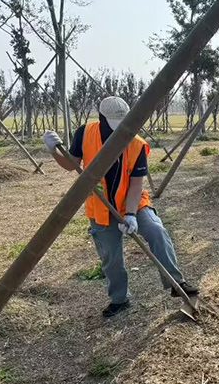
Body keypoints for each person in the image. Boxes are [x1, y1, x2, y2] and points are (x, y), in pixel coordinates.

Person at [42, 96, 199, 318]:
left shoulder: (136, 143)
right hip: (101, 205)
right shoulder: (85, 133)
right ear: (101, 118)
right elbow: (71, 165)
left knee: (156, 231)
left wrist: (132, 215)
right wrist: (54, 151)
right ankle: (119, 299)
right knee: (110, 256)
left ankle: (176, 282)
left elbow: (136, 184)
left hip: (132, 202)